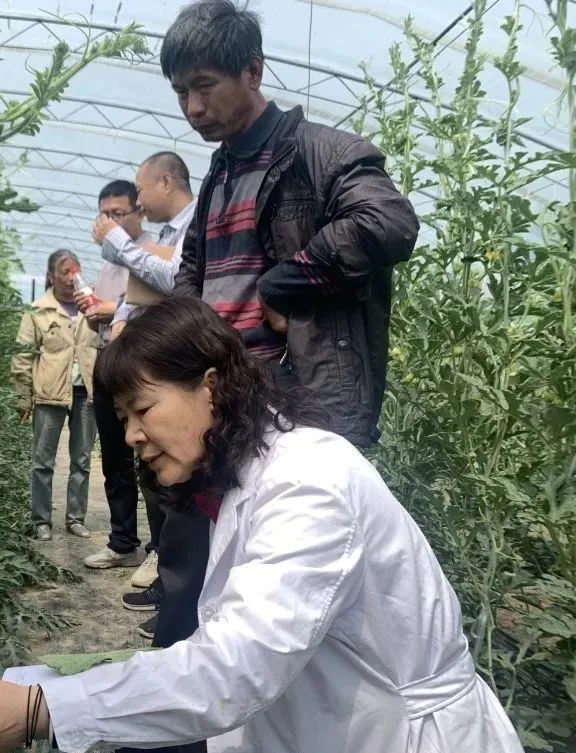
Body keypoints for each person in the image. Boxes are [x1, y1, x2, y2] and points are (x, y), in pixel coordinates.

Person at [0, 298, 538, 753]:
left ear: (211, 386)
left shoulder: (309, 482)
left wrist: (40, 710)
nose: (132, 436)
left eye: (142, 408)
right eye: (121, 419)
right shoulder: (242, 481)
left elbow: (232, 670)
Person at [168, 0, 419, 447]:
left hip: (294, 403)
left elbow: (386, 222)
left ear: (253, 71)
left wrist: (281, 284)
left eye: (205, 86)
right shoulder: (219, 172)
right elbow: (192, 268)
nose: (194, 107)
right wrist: (192, 343)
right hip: (223, 399)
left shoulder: (321, 154)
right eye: (182, 92)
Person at [91, 152, 208, 639]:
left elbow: (178, 282)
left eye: (140, 194)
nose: (138, 203)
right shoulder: (164, 235)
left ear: (166, 181)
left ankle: (182, 606)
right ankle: (170, 587)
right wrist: (119, 318)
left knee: (180, 486)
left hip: (172, 366)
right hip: (142, 361)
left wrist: (119, 241)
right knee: (151, 471)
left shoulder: (192, 226)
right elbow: (137, 295)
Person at [80, 181, 163, 573]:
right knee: (114, 457)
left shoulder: (152, 249)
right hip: (108, 360)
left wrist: (113, 309)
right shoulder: (109, 260)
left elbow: (158, 298)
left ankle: (160, 547)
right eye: (104, 214)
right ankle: (122, 541)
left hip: (142, 366)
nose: (108, 222)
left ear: (138, 211)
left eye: (117, 213)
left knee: (150, 458)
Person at [10, 250, 98, 541]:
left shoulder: (92, 306)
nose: (72, 276)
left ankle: (75, 518)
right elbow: (22, 356)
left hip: (86, 393)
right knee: (42, 461)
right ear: (51, 276)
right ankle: (41, 520)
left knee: (82, 460)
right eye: (65, 271)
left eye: (75, 269)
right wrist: (23, 398)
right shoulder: (38, 310)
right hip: (48, 395)